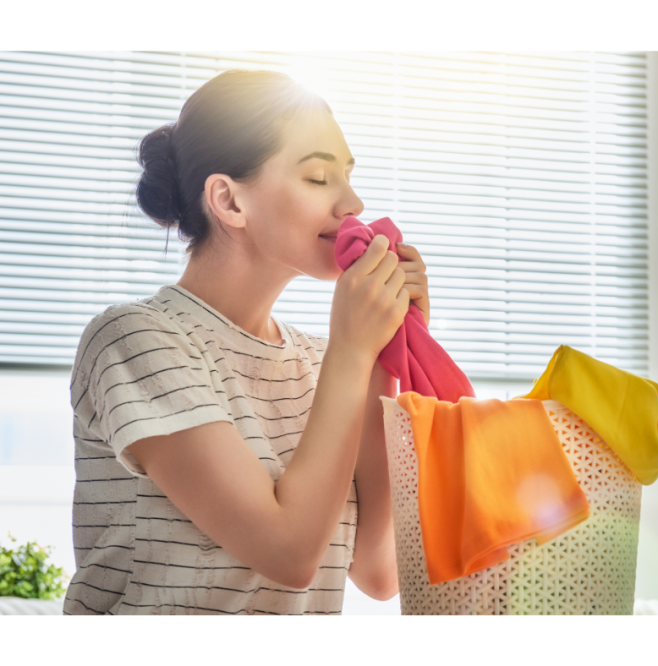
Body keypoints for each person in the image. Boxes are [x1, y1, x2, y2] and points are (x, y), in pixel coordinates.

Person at [64, 69, 431, 615]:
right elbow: (287, 552)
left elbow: (379, 572)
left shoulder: (320, 363)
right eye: (317, 177)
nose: (352, 203)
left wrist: (386, 353)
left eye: (349, 176)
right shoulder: (133, 341)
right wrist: (353, 351)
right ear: (229, 202)